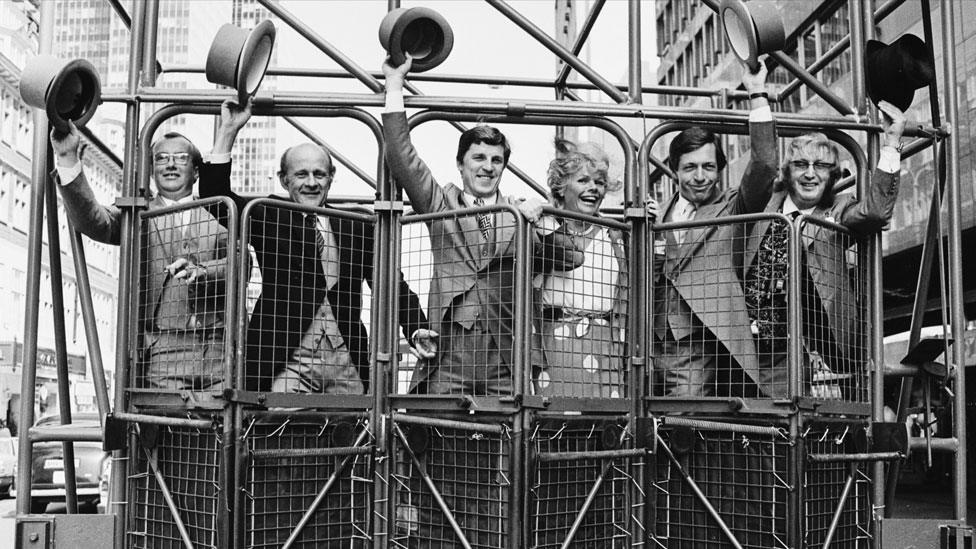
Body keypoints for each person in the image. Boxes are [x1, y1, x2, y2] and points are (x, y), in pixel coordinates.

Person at [382, 56, 582, 397]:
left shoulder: (519, 212)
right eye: (478, 158)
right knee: (439, 436)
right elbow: (402, 156)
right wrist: (394, 86)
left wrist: (544, 218)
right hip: (448, 353)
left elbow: (572, 256)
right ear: (460, 165)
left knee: (508, 440)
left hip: (505, 354)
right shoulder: (441, 203)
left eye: (496, 161)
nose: (487, 168)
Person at [199, 102, 428, 395]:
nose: (311, 183)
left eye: (319, 175)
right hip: (286, 359)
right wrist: (228, 130)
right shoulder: (267, 213)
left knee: (353, 432)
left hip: (346, 361)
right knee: (280, 429)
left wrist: (416, 328)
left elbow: (390, 283)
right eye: (301, 174)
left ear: (331, 178)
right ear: (284, 180)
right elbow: (215, 196)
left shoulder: (355, 224)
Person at [50, 102, 250, 391]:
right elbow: (95, 221)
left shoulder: (222, 211)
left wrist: (203, 271)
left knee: (219, 431)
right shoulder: (138, 216)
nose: (170, 164)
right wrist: (68, 158)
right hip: (163, 351)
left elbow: (243, 266)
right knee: (165, 427)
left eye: (180, 158)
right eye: (161, 159)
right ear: (152, 170)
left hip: (218, 349)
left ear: (196, 172)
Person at [743, 100, 906, 398]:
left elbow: (876, 213)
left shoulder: (839, 208)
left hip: (815, 351)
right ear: (787, 171)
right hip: (748, 345)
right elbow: (761, 163)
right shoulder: (767, 201)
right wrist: (757, 96)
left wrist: (892, 144)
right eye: (801, 165)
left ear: (832, 174)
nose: (810, 174)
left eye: (820, 166)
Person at [653, 61, 778, 397]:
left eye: (709, 166)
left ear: (720, 169)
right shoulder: (658, 214)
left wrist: (757, 94)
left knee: (685, 420)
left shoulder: (735, 206)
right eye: (690, 167)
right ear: (674, 170)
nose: (700, 176)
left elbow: (765, 164)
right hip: (650, 343)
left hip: (700, 342)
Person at [533, 138, 657, 399]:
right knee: (554, 426)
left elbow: (644, 281)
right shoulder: (542, 229)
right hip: (554, 346)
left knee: (605, 428)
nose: (593, 189)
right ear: (561, 186)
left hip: (605, 347)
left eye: (599, 182)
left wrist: (648, 229)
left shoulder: (617, 234)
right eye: (583, 180)